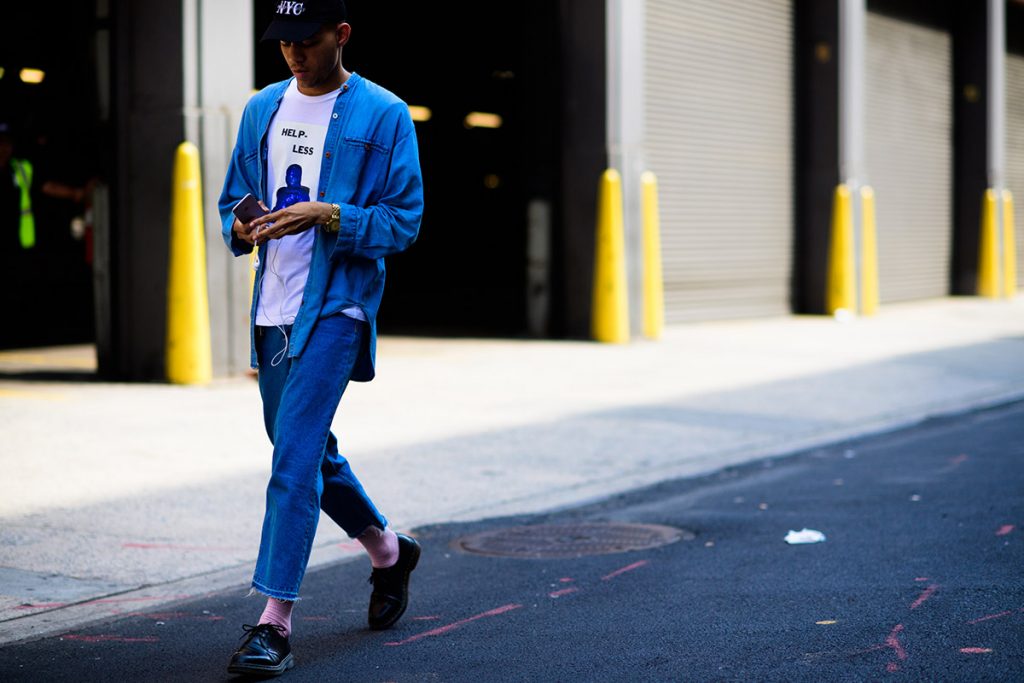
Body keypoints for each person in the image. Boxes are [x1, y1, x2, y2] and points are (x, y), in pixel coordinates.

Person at [218, 1, 424, 676]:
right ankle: (389, 549)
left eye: (307, 43)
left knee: (293, 457)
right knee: (303, 449)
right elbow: (233, 201)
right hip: (272, 310)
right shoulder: (260, 111)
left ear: (341, 35)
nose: (294, 56)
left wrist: (329, 214)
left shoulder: (385, 114)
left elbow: (403, 221)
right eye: (283, 45)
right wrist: (244, 226)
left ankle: (272, 623)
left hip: (337, 306)